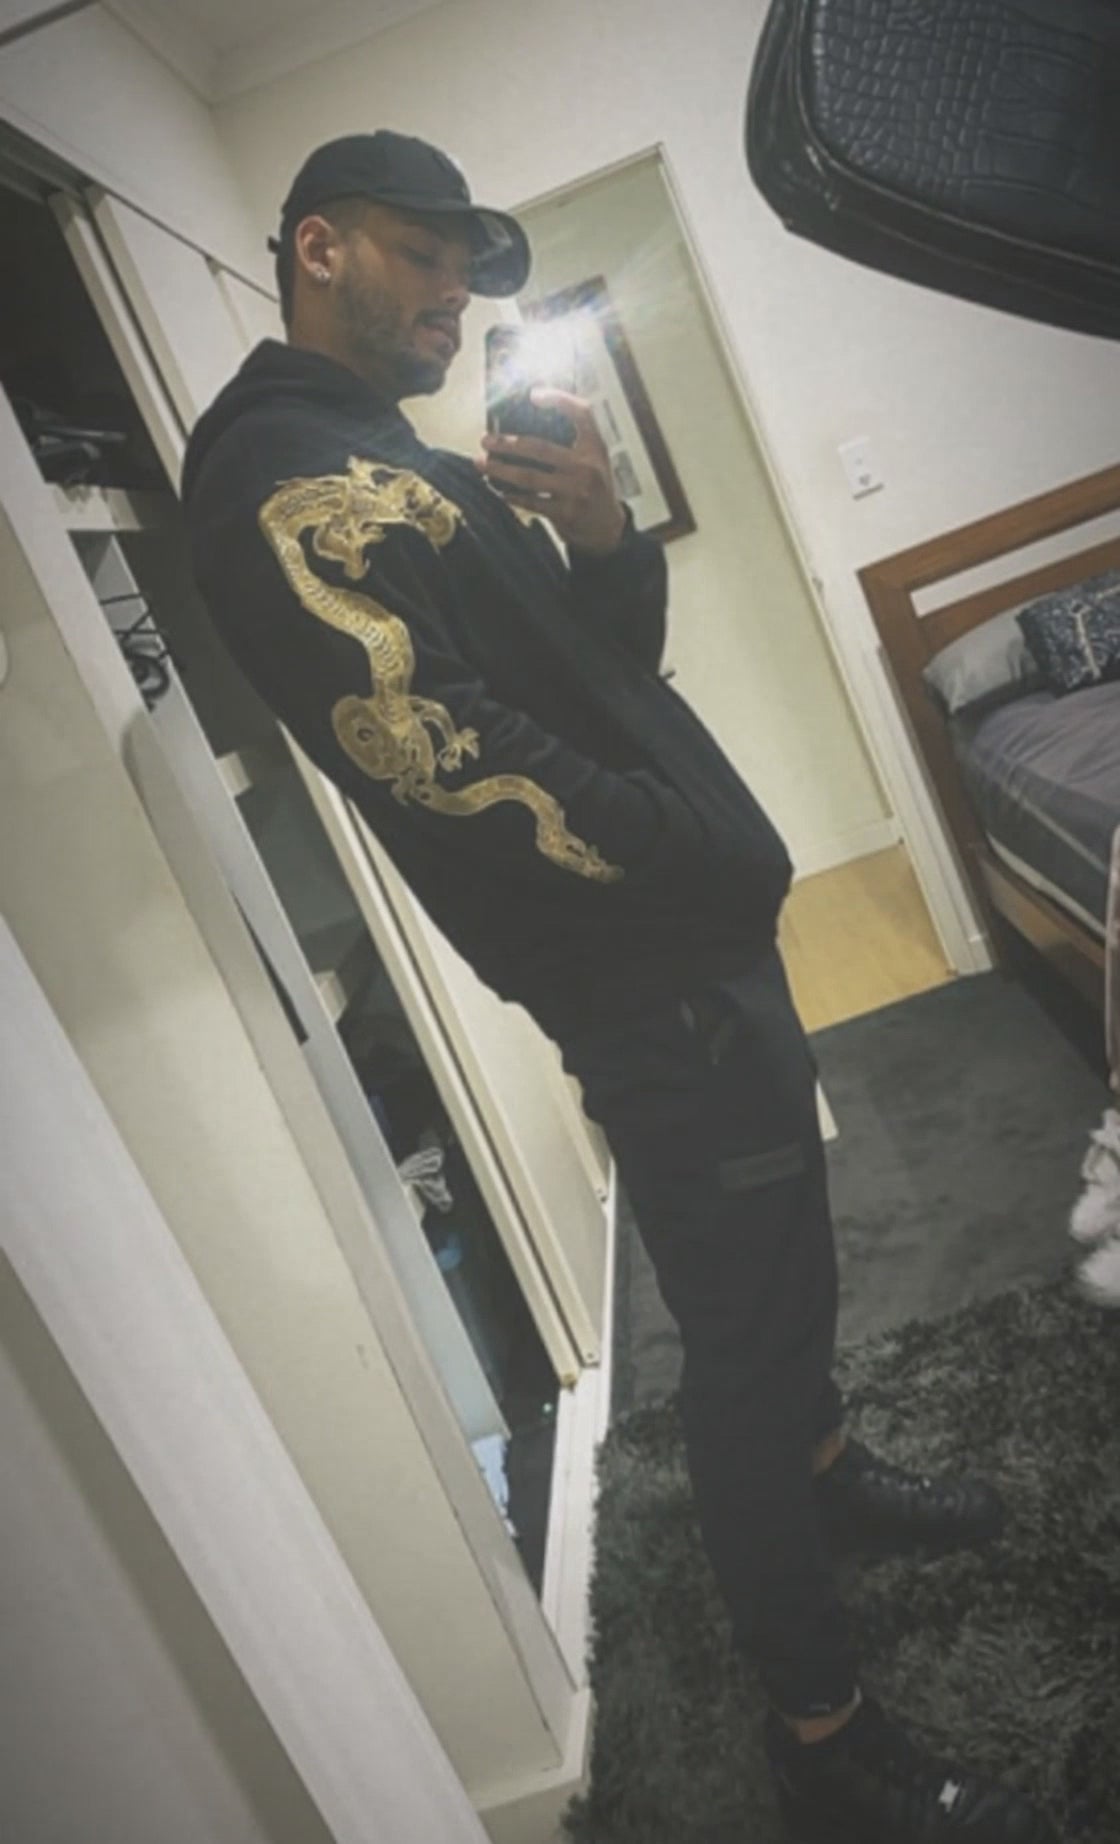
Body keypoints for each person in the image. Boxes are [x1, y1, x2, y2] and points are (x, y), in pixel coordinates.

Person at [181, 131, 1056, 1844]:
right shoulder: (275, 483)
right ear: (318, 248)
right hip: (652, 981)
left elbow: (603, 676)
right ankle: (822, 1732)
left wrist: (597, 536)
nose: (451, 299)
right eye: (421, 258)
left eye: (466, 274)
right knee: (740, 1349)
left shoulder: (389, 452)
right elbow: (445, 758)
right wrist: (699, 850)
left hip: (692, 951)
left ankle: (828, 1479)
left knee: (787, 1272)